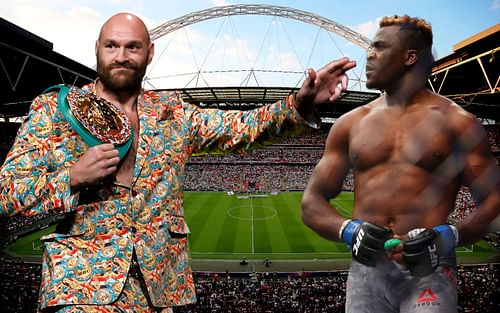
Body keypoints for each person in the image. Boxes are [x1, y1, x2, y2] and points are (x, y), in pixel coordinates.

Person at [0, 12, 356, 313]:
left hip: (158, 290)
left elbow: (241, 128)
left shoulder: (173, 114)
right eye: (112, 45)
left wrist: (300, 101)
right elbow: (6, 194)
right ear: (97, 49)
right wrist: (72, 178)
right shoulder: (55, 110)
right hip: (81, 286)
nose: (121, 55)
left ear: (149, 53)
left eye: (132, 47)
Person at [301, 14, 500, 313]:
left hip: (430, 271)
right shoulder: (349, 124)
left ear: (409, 57)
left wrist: (449, 236)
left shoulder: (458, 124)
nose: (368, 55)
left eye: (380, 47)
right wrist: (349, 230)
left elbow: (495, 200)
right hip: (366, 272)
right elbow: (311, 202)